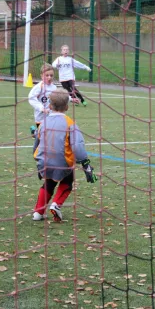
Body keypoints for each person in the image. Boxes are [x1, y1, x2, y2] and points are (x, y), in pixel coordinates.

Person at [32, 89, 97, 222]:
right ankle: (56, 204)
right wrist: (85, 162)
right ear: (67, 107)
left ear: (49, 105)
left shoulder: (43, 123)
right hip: (63, 162)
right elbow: (77, 145)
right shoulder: (69, 123)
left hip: (44, 161)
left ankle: (38, 212)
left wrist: (37, 161)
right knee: (67, 181)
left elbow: (37, 143)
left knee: (48, 183)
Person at [28, 63, 79, 136]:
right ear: (42, 76)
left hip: (51, 115)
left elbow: (60, 96)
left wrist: (71, 99)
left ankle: (36, 133)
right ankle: (34, 132)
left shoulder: (54, 87)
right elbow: (31, 98)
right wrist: (41, 108)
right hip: (40, 117)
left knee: (49, 135)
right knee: (41, 136)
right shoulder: (39, 87)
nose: (49, 77)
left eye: (51, 75)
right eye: (47, 75)